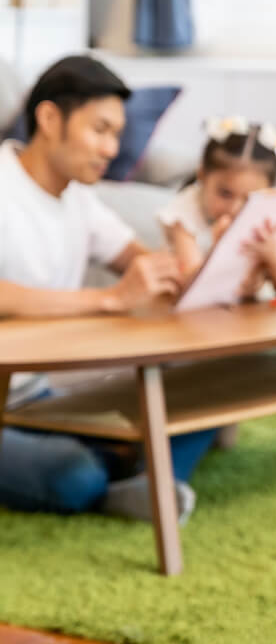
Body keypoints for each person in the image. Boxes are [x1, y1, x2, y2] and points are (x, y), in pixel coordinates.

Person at [0, 55, 209, 522]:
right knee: (74, 475)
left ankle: (138, 476)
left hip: (40, 394)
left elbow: (147, 267)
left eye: (116, 133)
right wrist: (108, 299)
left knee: (210, 390)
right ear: (50, 118)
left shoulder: (79, 199)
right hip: (7, 400)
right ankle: (130, 473)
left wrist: (193, 259)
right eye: (100, 129)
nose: (111, 148)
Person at [157, 116, 276, 298]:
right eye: (225, 194)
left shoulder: (265, 218)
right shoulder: (183, 215)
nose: (235, 208)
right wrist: (220, 249)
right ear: (202, 176)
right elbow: (190, 288)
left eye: (250, 199)